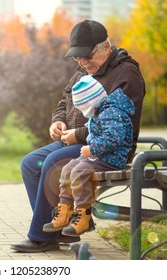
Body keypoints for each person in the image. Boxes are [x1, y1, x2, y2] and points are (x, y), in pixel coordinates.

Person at [10, 19, 145, 253]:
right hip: (75, 141)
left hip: (107, 148)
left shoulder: (127, 73)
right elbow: (65, 99)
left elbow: (119, 125)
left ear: (105, 46)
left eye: (87, 56)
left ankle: (43, 237)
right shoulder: (84, 68)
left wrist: (80, 134)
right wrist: (57, 121)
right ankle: (62, 228)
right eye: (77, 57)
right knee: (30, 163)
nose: (82, 62)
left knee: (54, 162)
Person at [42, 75, 134, 236]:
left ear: (92, 101)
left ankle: (84, 215)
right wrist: (92, 149)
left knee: (79, 172)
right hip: (99, 155)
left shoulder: (111, 113)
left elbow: (114, 138)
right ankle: (65, 211)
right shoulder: (99, 111)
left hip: (112, 158)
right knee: (67, 169)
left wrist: (92, 149)